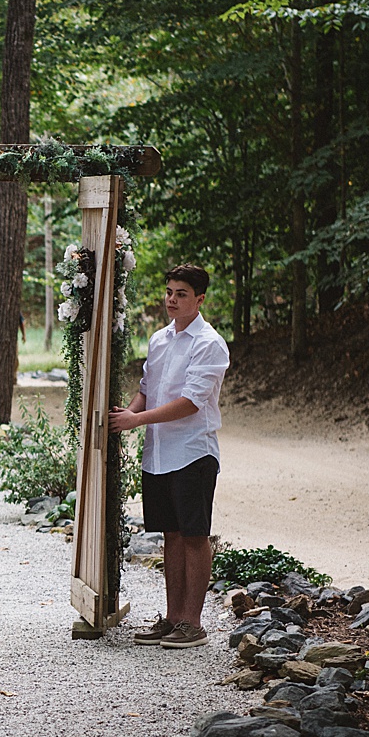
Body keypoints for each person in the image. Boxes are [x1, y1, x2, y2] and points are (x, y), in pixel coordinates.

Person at [108, 264, 229, 649]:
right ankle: (173, 618)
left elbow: (191, 402)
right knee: (170, 535)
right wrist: (122, 418)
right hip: (159, 453)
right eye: (169, 292)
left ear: (200, 299)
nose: (172, 299)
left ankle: (193, 623)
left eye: (181, 293)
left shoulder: (209, 343)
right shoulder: (159, 340)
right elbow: (147, 388)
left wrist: (135, 420)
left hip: (193, 451)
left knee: (194, 536)